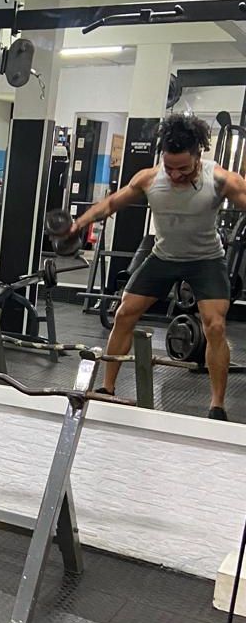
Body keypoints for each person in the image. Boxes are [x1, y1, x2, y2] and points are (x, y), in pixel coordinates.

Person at [71, 113, 246, 421]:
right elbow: (111, 204)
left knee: (215, 326)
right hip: (163, 256)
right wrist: (77, 224)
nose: (175, 175)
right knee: (124, 313)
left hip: (206, 259)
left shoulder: (220, 180)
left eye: (184, 168)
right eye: (169, 167)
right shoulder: (149, 179)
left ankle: (217, 405)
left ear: (198, 155)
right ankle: (107, 388)